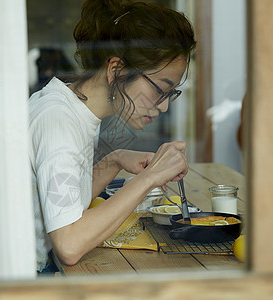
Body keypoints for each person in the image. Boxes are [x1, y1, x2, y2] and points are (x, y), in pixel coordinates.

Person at [29, 0, 196, 274]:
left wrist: (115, 160)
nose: (164, 106)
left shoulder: (73, 107)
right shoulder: (58, 121)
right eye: (160, 89)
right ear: (116, 70)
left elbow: (65, 201)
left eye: (172, 93)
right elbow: (69, 245)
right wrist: (149, 177)